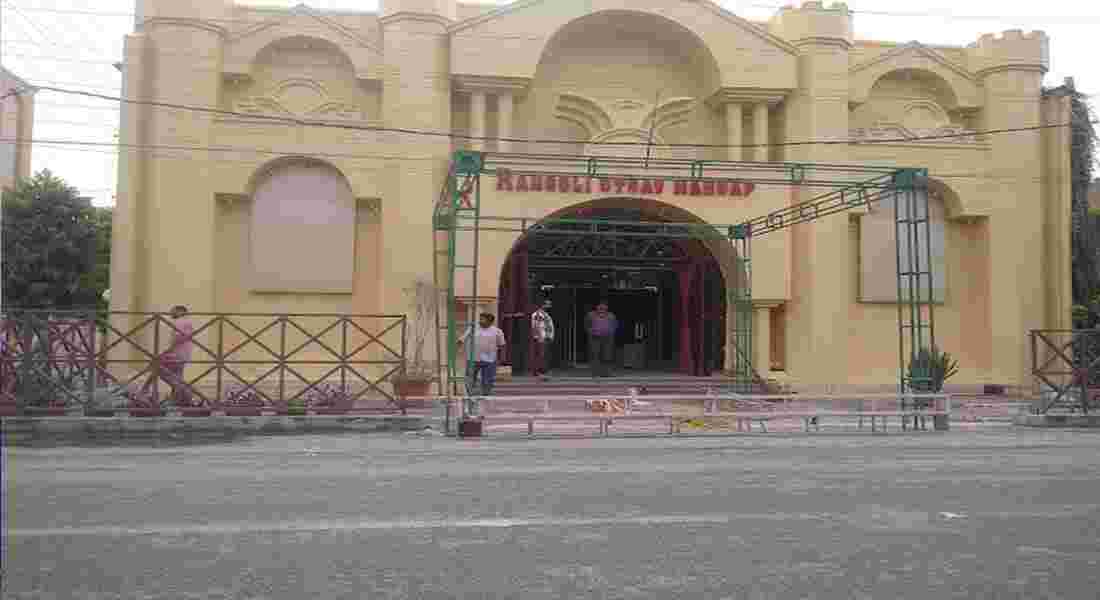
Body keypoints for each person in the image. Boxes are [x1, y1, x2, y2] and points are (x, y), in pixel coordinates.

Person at [140, 305, 195, 407]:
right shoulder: (188, 322)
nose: (170, 313)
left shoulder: (180, 322)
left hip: (176, 354)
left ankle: (185, 392)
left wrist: (168, 351)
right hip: (184, 354)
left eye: (173, 311)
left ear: (180, 312)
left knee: (156, 365)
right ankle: (178, 398)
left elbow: (179, 337)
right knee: (177, 376)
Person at [460, 312, 507, 397]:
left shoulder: (497, 331)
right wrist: (457, 345)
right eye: (480, 318)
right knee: (470, 379)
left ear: (490, 321)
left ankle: (486, 395)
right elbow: (462, 339)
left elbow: (502, 345)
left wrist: (502, 358)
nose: (480, 321)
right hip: (473, 358)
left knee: (487, 380)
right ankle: (470, 396)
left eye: (482, 319)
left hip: (490, 359)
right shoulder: (472, 328)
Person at [585, 300, 618, 378]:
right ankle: (595, 373)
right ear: (596, 307)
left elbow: (615, 325)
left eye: (604, 306)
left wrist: (611, 332)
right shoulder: (590, 315)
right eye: (600, 306)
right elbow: (586, 325)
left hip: (607, 339)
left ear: (607, 307)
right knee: (595, 355)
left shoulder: (611, 315)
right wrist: (591, 332)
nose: (602, 307)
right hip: (595, 338)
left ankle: (606, 373)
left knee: (607, 356)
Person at [530, 300, 555, 380]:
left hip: (545, 337)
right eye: (547, 305)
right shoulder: (538, 314)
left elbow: (548, 325)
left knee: (543, 355)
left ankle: (541, 370)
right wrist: (539, 337)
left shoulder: (545, 314)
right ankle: (538, 371)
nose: (549, 306)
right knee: (540, 354)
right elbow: (537, 326)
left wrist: (550, 336)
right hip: (541, 337)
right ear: (543, 305)